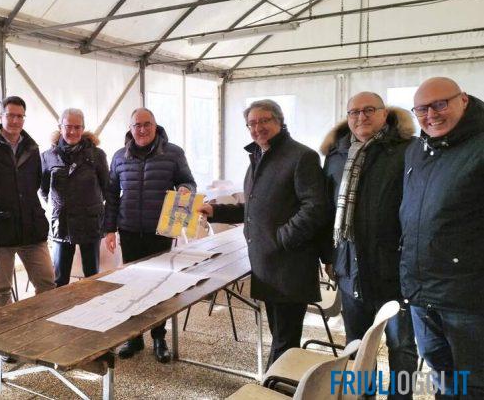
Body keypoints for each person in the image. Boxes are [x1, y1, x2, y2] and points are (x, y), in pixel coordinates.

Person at [198, 99, 327, 366]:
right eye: (252, 123)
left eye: (264, 120)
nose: (258, 128)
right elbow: (255, 208)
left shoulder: (301, 156)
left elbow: (315, 207)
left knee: (285, 340)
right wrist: (216, 211)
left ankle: (275, 384)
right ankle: (281, 379)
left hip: (289, 266)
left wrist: (282, 238)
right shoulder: (259, 156)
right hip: (267, 265)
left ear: (279, 121)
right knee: (279, 334)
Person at [320, 92, 417, 399]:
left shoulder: (407, 150)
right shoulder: (336, 156)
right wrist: (330, 256)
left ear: (384, 113)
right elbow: (327, 210)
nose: (360, 117)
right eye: (354, 112)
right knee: (358, 345)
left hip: (394, 270)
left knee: (402, 346)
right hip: (350, 269)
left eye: (369, 110)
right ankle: (363, 396)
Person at [400, 77, 484, 399]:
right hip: (422, 292)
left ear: (463, 100)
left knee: (474, 383)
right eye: (422, 109)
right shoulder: (417, 151)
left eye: (440, 104)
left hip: (468, 297)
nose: (431, 115)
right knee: (442, 377)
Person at [104, 108, 196, 364]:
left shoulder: (173, 153)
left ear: (156, 126)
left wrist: (185, 189)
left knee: (159, 286)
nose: (142, 130)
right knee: (132, 286)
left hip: (161, 230)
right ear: (130, 128)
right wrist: (109, 229)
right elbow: (111, 196)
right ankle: (134, 337)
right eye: (137, 125)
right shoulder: (119, 157)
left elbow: (188, 181)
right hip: (129, 230)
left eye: (147, 124)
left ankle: (159, 337)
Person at [0, 96, 55, 313]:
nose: (15, 121)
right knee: (2, 290)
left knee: (47, 283)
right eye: (10, 115)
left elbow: (36, 183)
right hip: (1, 228)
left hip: (32, 227)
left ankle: (45, 326)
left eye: (20, 116)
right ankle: (5, 331)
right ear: (0, 117)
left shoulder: (32, 148)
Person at [41, 108, 109, 287]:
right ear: (60, 127)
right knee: (60, 279)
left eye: (77, 127)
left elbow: (106, 187)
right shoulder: (48, 156)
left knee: (92, 276)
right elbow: (43, 189)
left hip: (90, 222)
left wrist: (90, 205)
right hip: (61, 224)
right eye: (68, 127)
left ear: (83, 128)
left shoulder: (97, 155)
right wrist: (59, 205)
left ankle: (93, 305)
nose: (72, 131)